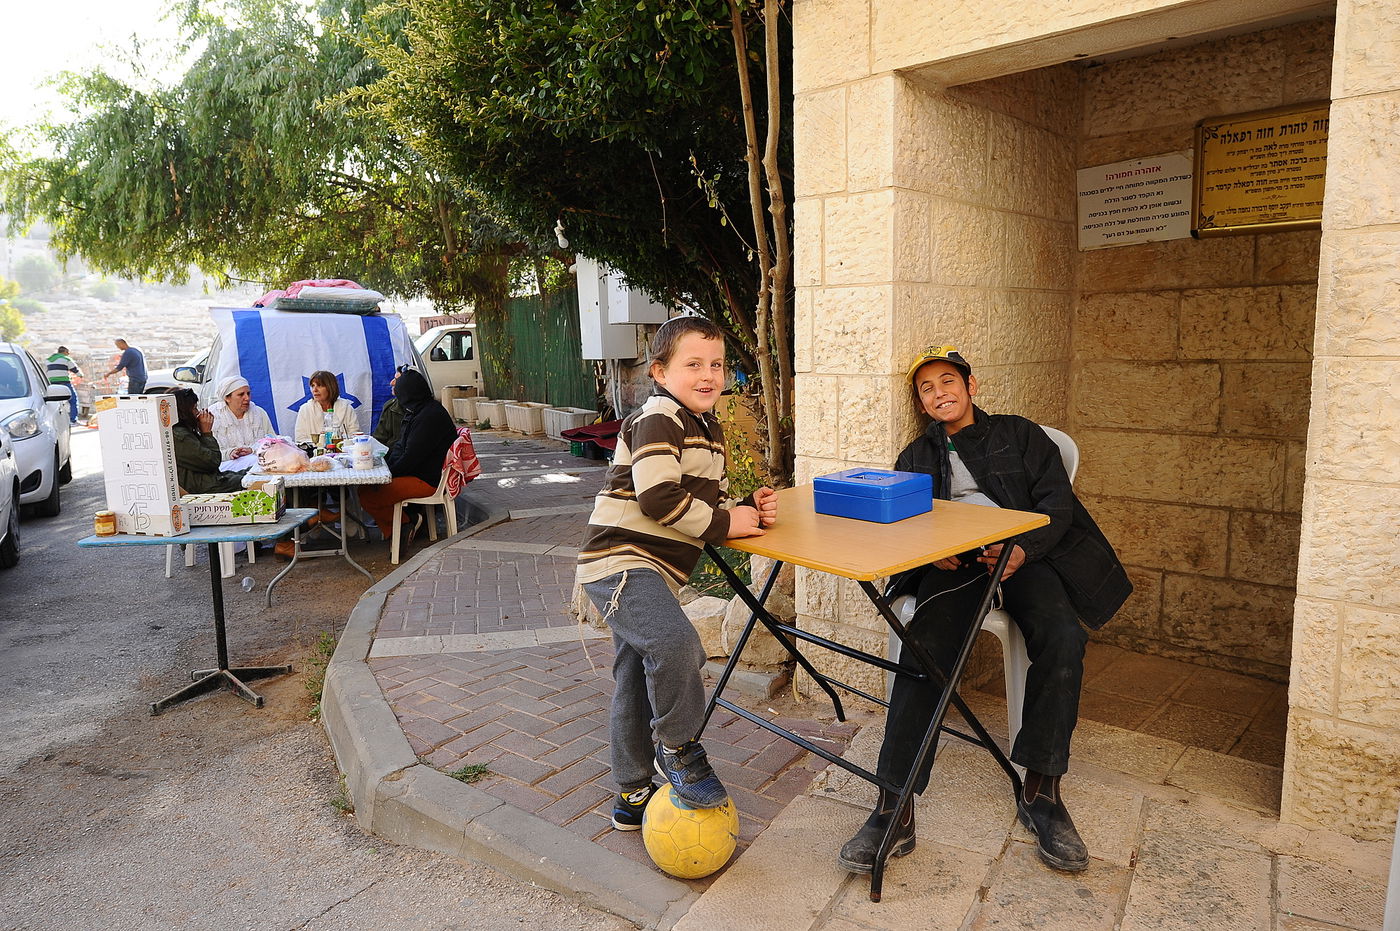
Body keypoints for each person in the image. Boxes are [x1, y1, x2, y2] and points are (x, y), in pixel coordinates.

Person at [836, 345, 1132, 876]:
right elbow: (904, 517)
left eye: (947, 381)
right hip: (957, 567)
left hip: (1022, 557)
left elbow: (1056, 505)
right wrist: (930, 546)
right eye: (926, 389)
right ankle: (893, 804)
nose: (938, 393)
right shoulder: (915, 457)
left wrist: (1024, 550)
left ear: (972, 387)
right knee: (925, 646)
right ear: (922, 404)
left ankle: (1042, 790)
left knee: (1064, 636)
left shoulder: (1020, 434)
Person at [575, 316, 778, 832]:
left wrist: (742, 505)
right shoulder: (659, 417)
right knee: (677, 646)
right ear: (661, 372)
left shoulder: (706, 428)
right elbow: (660, 497)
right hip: (620, 562)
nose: (708, 375)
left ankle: (632, 791)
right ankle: (679, 748)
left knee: (634, 677)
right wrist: (728, 521)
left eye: (717, 365)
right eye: (693, 365)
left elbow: (703, 500)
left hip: (649, 570)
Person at [357, 368, 458, 543]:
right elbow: (400, 447)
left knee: (368, 495)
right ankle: (400, 530)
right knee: (366, 489)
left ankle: (403, 526)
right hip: (419, 473)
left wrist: (387, 474)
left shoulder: (429, 416)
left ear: (408, 394)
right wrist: (386, 467)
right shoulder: (420, 411)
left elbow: (411, 458)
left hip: (428, 480)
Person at [170, 388, 246, 494]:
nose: (198, 413)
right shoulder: (179, 435)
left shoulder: (182, 431)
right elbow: (212, 461)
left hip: (210, 479)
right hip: (203, 486)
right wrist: (206, 433)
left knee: (251, 472)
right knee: (248, 481)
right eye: (195, 409)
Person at [209, 376, 274, 459]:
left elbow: (272, 440)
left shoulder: (259, 413)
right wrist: (228, 454)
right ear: (227, 398)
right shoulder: (212, 416)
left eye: (248, 393)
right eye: (241, 394)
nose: (247, 398)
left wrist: (253, 450)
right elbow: (208, 452)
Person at [293, 370, 361, 445]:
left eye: (319, 385)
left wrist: (337, 437)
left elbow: (355, 437)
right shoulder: (305, 409)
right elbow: (300, 440)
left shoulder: (346, 408)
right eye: (312, 386)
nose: (314, 390)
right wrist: (321, 441)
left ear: (330, 387)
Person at [371, 365, 410, 448]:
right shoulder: (390, 407)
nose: (391, 383)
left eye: (397, 380)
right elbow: (379, 440)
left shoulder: (422, 411)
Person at [45, 345, 83, 424]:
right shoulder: (66, 359)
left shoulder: (48, 360)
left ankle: (55, 421)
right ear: (65, 352)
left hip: (52, 383)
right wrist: (80, 375)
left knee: (55, 402)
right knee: (73, 400)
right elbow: (76, 370)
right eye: (68, 352)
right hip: (64, 382)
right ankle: (73, 420)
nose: (68, 354)